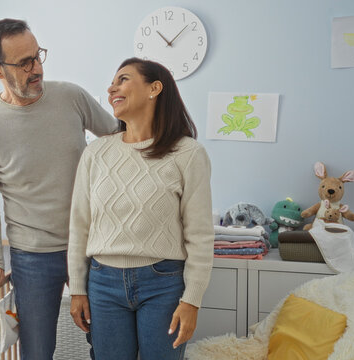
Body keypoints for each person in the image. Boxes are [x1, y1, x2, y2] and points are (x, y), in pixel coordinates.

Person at [0, 18, 118, 359]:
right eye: (24, 63)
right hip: (31, 257)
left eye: (37, 57)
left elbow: (118, 140)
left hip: (93, 247)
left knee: (110, 345)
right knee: (36, 352)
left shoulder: (71, 97)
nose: (36, 69)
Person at [68, 58, 215, 359]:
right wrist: (78, 289)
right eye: (112, 82)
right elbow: (79, 226)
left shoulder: (188, 153)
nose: (112, 88)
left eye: (123, 79)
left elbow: (199, 234)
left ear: (154, 88)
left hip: (163, 284)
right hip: (102, 283)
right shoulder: (95, 153)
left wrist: (192, 299)